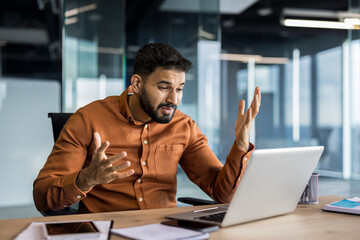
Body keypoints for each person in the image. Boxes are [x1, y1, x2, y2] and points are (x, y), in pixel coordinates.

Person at [33, 43, 261, 213]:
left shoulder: (185, 126)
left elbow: (221, 193)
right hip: (106, 231)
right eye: (164, 87)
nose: (174, 99)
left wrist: (241, 145)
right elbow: (42, 197)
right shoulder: (89, 119)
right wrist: (86, 178)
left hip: (166, 230)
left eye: (180, 88)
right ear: (137, 84)